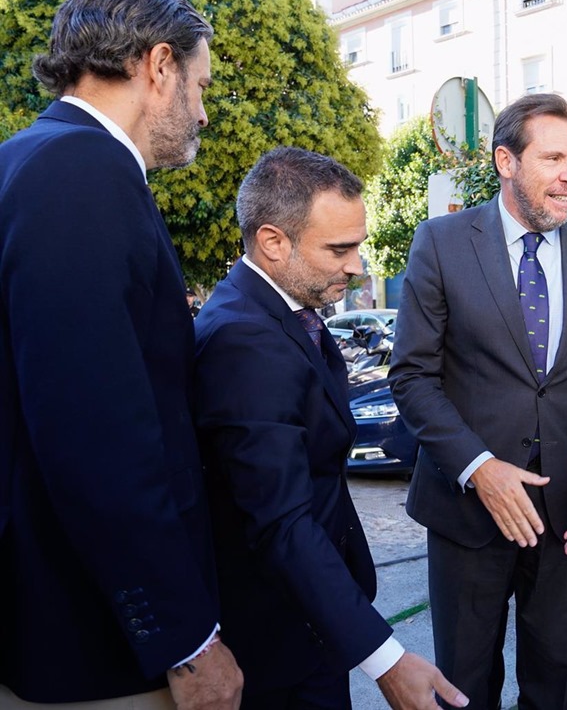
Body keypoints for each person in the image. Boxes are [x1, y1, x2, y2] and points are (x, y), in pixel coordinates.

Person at [0, 0, 244, 707]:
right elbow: (97, 438)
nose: (202, 112)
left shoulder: (27, 160)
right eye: (199, 86)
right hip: (95, 646)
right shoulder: (84, 173)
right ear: (158, 66)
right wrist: (185, 640)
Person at [389, 93, 567, 710]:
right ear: (506, 161)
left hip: (566, 516)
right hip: (467, 515)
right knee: (465, 687)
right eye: (553, 158)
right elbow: (412, 377)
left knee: (553, 683)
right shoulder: (442, 242)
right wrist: (480, 469)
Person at [192, 147, 466, 710]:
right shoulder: (245, 339)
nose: (356, 265)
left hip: (309, 621)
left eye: (357, 245)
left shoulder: (284, 312)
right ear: (273, 242)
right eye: (339, 248)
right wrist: (386, 661)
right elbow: (281, 521)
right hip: (277, 637)